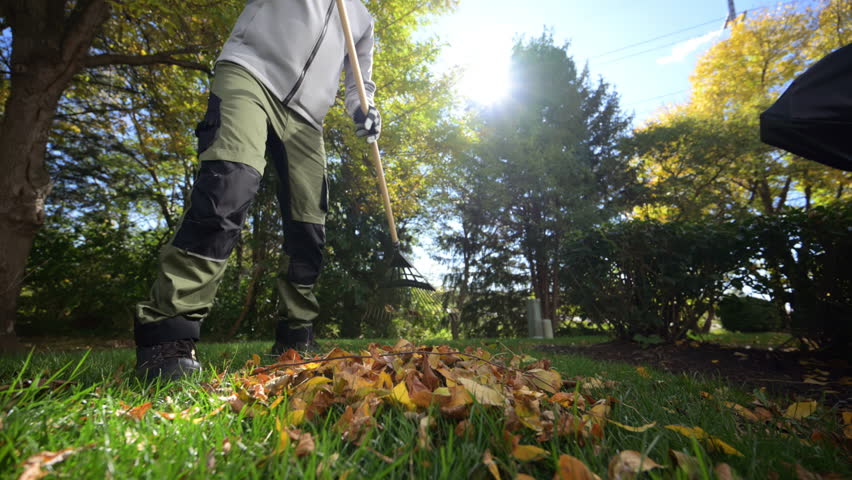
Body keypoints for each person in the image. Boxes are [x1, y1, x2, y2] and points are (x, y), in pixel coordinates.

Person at [133, 0, 381, 380]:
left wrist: (364, 112)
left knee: (309, 225)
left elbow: (358, 84)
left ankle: (295, 335)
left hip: (307, 119)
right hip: (250, 73)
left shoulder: (362, 20)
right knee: (229, 186)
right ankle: (167, 335)